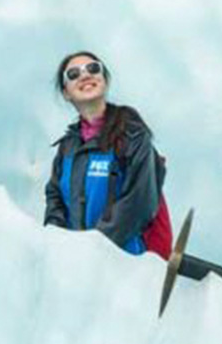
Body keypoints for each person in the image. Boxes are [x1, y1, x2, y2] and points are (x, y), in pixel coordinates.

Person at [44, 51, 172, 257]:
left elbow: (140, 203)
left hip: (124, 267)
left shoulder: (133, 137)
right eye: (74, 74)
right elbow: (55, 197)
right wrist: (57, 241)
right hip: (78, 266)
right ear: (66, 92)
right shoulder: (67, 148)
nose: (85, 75)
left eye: (93, 68)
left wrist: (95, 247)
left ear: (104, 79)